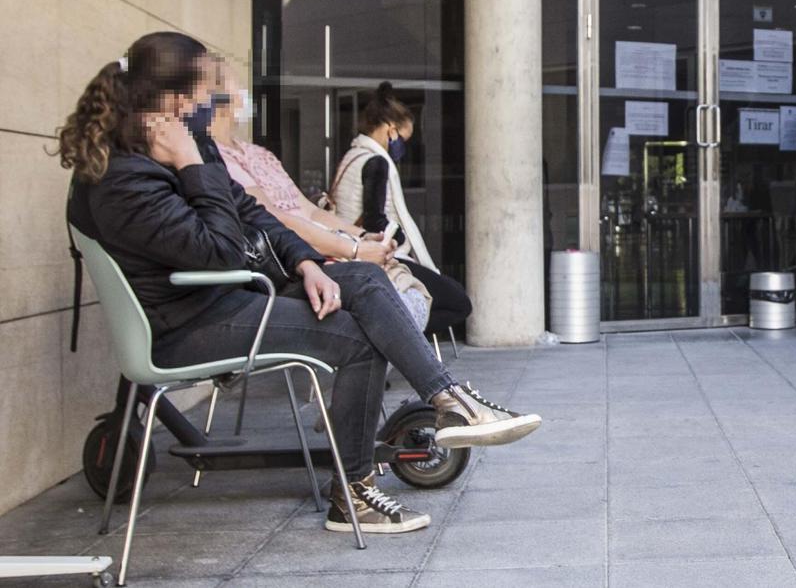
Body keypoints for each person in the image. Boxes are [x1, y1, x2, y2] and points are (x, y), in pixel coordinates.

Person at [58, 32, 540, 535]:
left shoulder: (182, 145)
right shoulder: (124, 176)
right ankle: (353, 492)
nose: (211, 101)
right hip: (187, 325)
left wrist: (307, 263)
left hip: (225, 299)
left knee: (363, 278)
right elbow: (220, 250)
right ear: (177, 98)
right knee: (358, 340)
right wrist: (191, 166)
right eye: (204, 91)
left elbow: (249, 211)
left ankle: (451, 402)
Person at [204, 66, 432, 329]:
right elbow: (273, 219)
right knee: (389, 308)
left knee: (405, 302)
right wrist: (353, 248)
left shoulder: (259, 154)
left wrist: (359, 237)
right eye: (236, 86)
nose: (244, 95)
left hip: (327, 250)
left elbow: (309, 211)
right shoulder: (217, 159)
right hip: (297, 261)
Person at [330, 83, 472, 335]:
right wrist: (400, 238)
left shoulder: (352, 156)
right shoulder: (376, 163)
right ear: (390, 130)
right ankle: (394, 337)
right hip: (377, 254)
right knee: (458, 303)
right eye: (403, 140)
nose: (402, 147)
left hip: (353, 250)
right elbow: (375, 220)